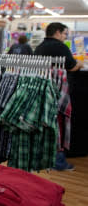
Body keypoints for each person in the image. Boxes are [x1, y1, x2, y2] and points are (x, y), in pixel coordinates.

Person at [34, 22, 84, 171]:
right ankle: (58, 162)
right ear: (57, 32)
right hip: (59, 92)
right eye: (64, 34)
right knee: (60, 125)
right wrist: (80, 64)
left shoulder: (40, 47)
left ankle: (42, 159)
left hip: (41, 89)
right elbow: (72, 66)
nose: (64, 36)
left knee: (45, 124)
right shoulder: (61, 47)